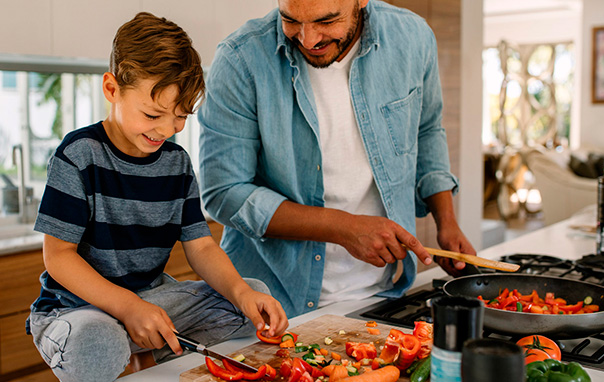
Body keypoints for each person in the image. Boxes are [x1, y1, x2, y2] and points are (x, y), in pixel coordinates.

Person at [27, 12, 287, 382]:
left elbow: (201, 248)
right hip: (75, 310)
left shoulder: (176, 162)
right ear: (112, 89)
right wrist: (128, 307)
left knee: (252, 299)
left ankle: (146, 347)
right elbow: (58, 258)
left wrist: (241, 292)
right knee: (98, 342)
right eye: (153, 114)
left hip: (150, 299)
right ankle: (138, 346)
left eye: (180, 116)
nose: (167, 129)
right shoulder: (79, 153)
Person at [197, 0, 476, 317]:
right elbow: (223, 193)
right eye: (290, 20)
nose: (308, 39)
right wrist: (344, 228)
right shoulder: (240, 60)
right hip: (269, 305)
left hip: (383, 297)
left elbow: (426, 130)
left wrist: (446, 220)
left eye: (326, 21)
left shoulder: (412, 38)